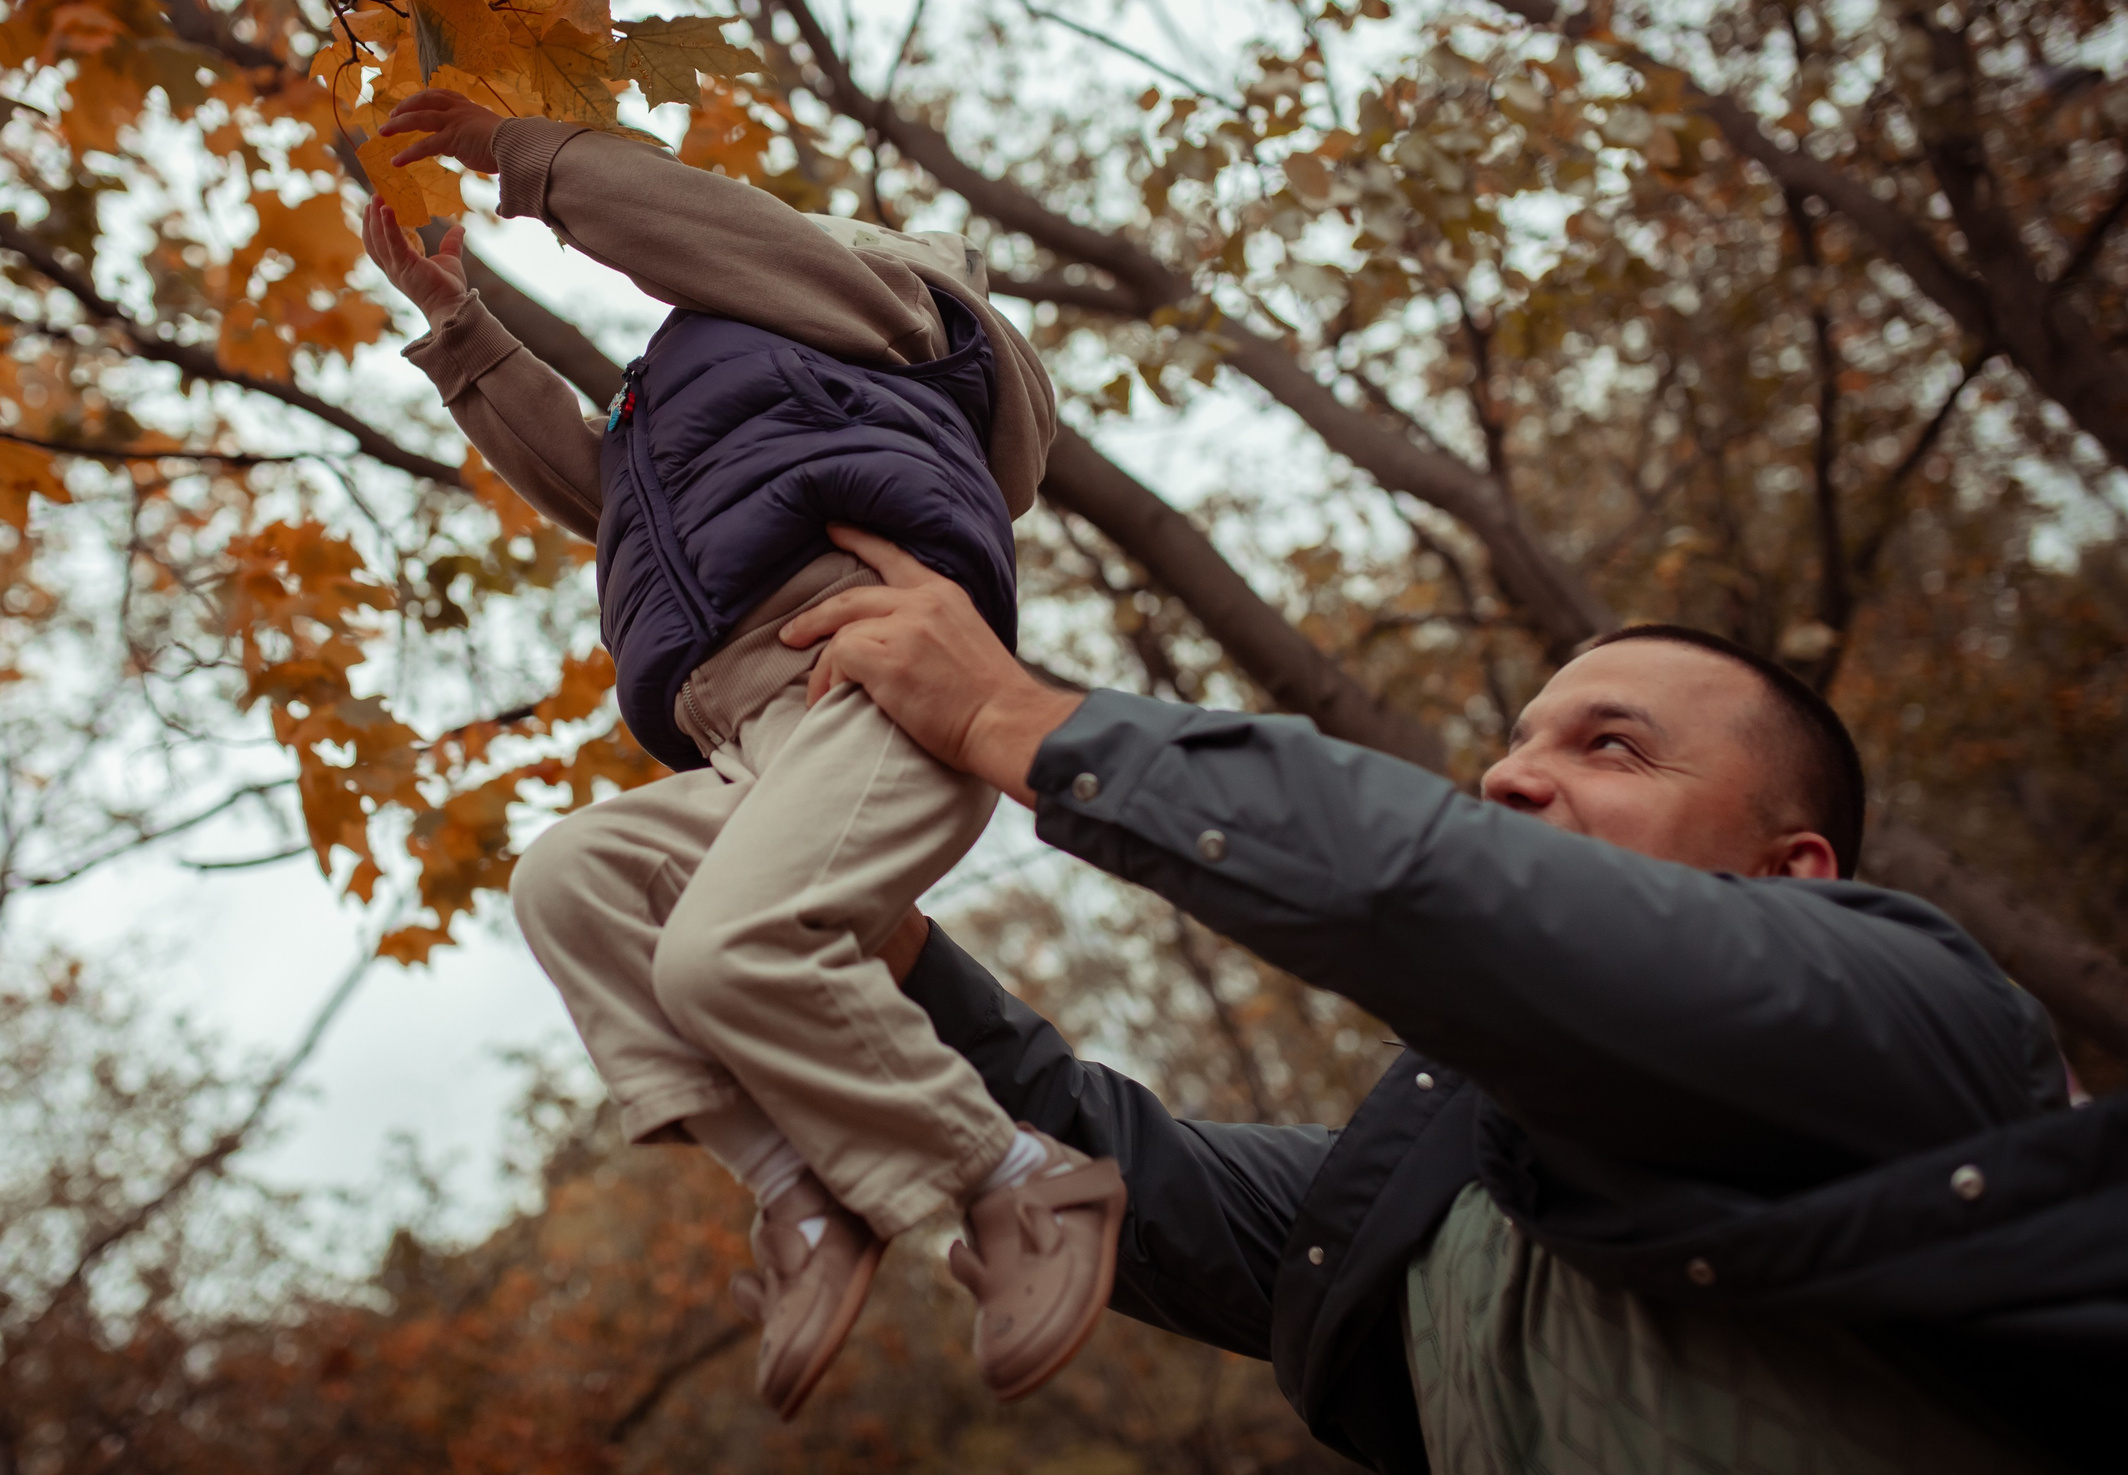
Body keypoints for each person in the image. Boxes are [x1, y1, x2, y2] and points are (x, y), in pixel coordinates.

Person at [782, 524, 2122, 1474]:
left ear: (1795, 872)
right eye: (1518, 741)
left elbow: (1439, 889)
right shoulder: (1420, 1202)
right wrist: (880, 947)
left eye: (1612, 747)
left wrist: (1020, 720)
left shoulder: (1918, 1009)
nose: (1511, 779)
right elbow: (1103, 1172)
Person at [358, 91, 1126, 1420]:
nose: (712, 285)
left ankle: (1016, 1181)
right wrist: (463, 333)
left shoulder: (879, 311)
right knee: (571, 882)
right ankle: (802, 1191)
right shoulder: (731, 407)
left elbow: (700, 228)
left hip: (868, 698)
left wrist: (522, 157)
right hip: (746, 738)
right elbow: (600, 503)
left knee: (726, 950)